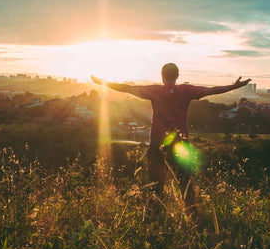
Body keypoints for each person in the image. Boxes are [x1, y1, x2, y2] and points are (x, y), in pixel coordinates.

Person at [91, 63, 251, 200]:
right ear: (177, 75)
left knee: (156, 185)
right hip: (180, 143)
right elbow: (212, 90)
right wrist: (234, 86)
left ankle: (156, 218)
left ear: (162, 76)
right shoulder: (186, 90)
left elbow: (126, 88)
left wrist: (103, 83)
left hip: (157, 143)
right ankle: (193, 220)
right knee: (185, 183)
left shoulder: (155, 91)